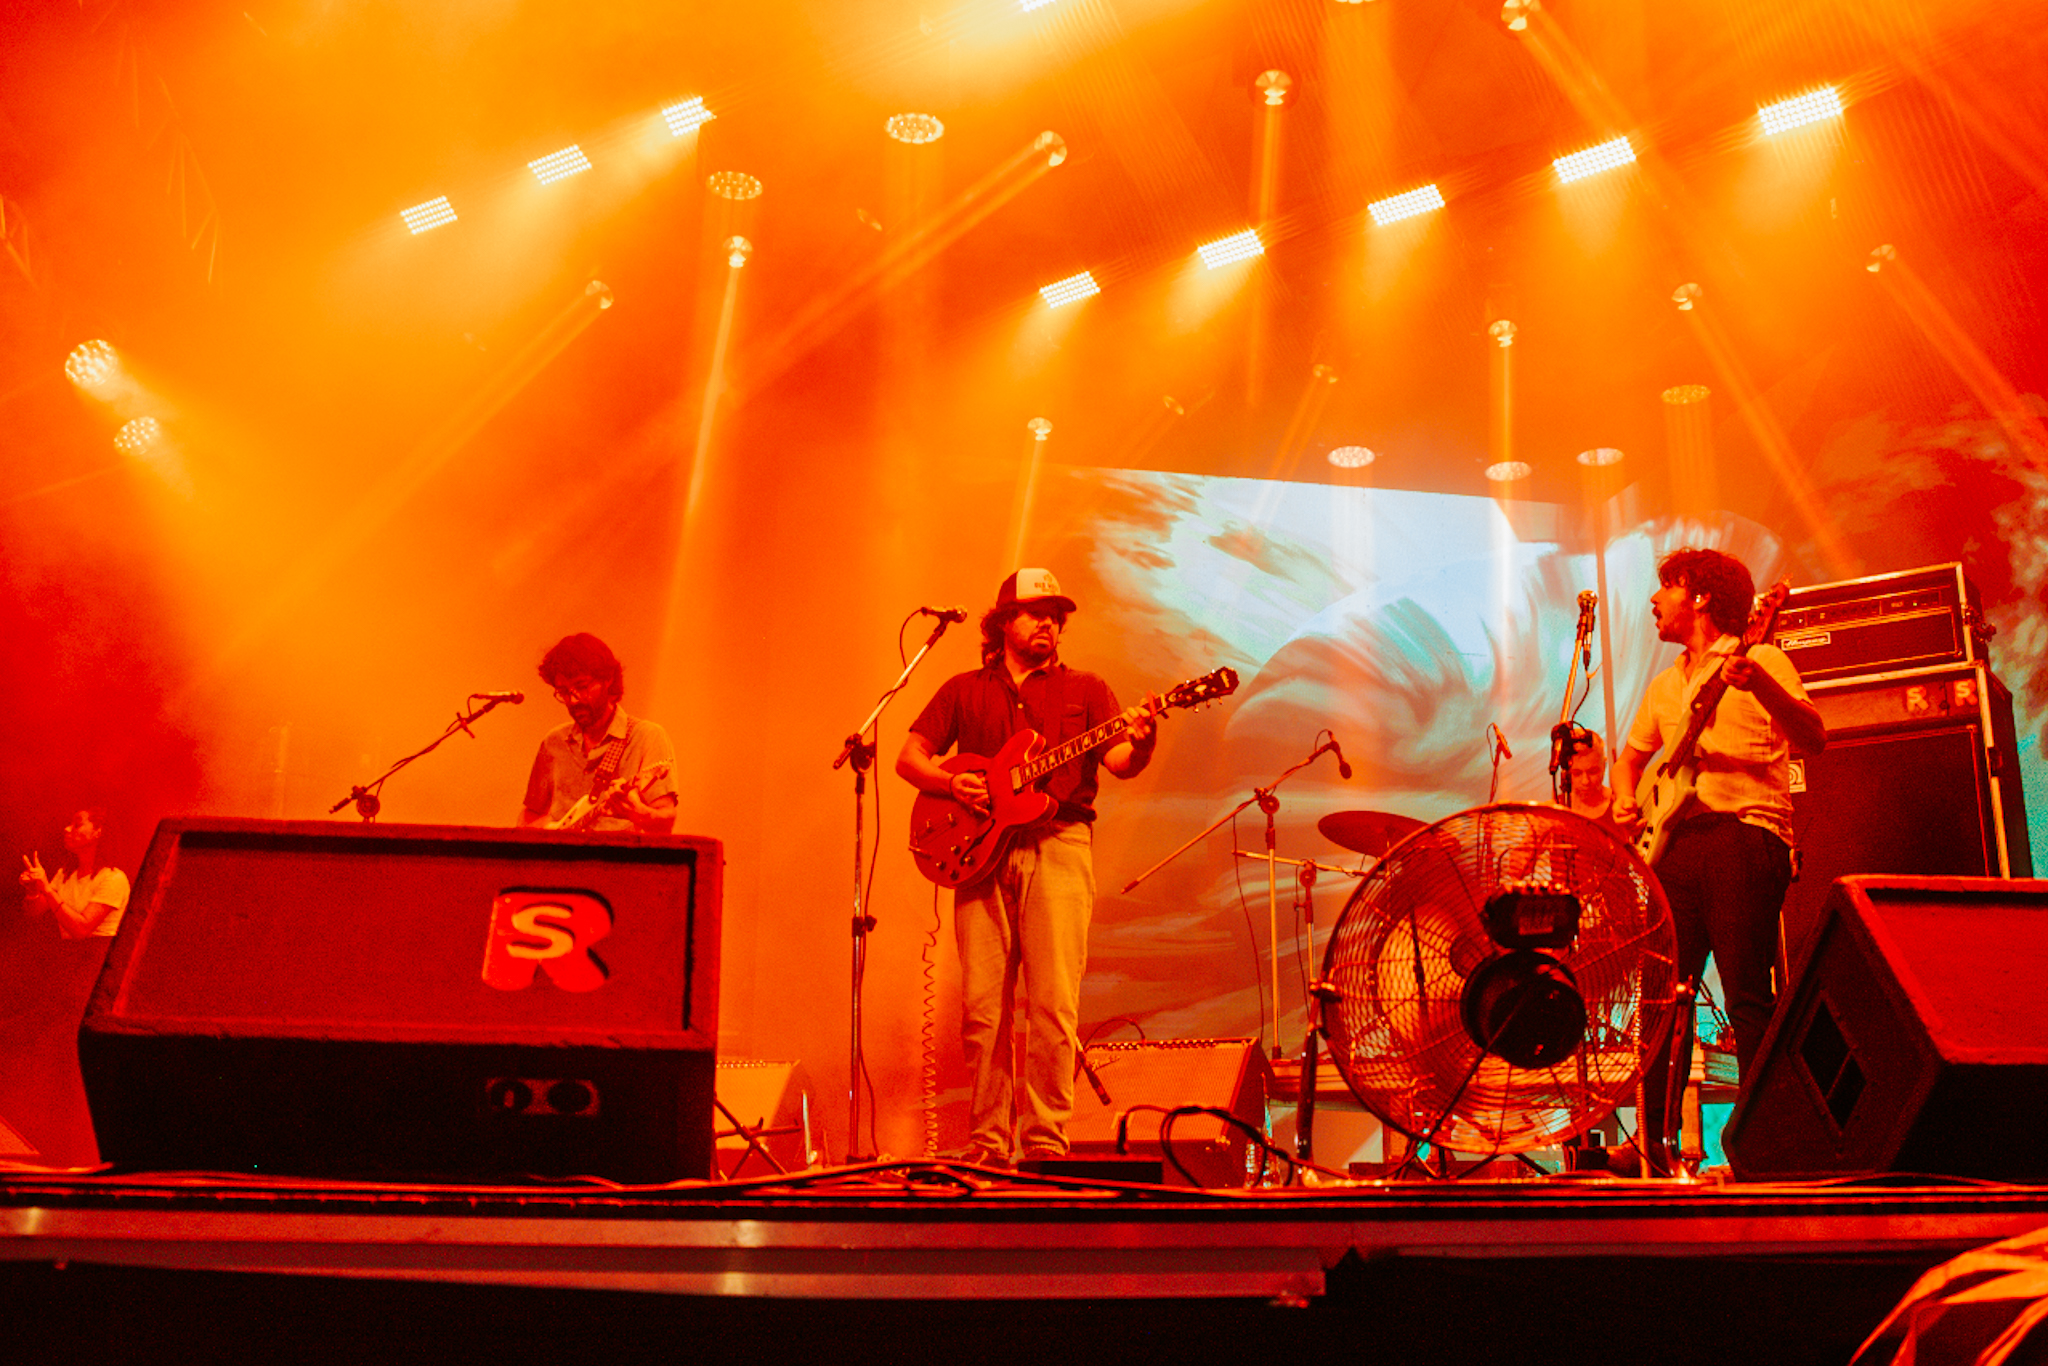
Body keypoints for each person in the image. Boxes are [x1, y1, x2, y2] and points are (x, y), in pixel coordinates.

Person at [896, 568, 1161, 1165]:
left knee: (1052, 1005)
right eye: (1035, 612)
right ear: (1001, 623)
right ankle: (988, 1145)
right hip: (979, 857)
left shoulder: (1088, 690)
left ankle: (1044, 1144)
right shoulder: (964, 689)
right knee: (983, 1010)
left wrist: (1141, 740)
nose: (1048, 622)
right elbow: (909, 757)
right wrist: (952, 783)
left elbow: (1119, 762)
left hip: (1060, 844)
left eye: (1056, 615)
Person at [1610, 548, 1825, 1167]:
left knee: (1746, 998)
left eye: (1666, 588)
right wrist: (1627, 800)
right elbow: (1631, 759)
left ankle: (1764, 1145)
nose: (1654, 601)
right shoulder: (1664, 684)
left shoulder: (1762, 658)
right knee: (1659, 1000)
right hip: (1674, 846)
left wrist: (1757, 684)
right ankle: (1654, 1145)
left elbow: (1813, 736)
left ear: (1700, 597)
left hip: (1744, 834)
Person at [517, 633, 678, 834]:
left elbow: (666, 821)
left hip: (619, 862)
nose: (573, 700)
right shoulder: (553, 742)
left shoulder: (647, 737)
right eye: (564, 692)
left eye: (582, 687)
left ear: (608, 679)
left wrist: (637, 813)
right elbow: (530, 814)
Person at [19, 808, 130, 940]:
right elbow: (34, 913)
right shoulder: (65, 874)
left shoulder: (113, 878)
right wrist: (33, 891)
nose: (66, 829)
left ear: (97, 832)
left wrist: (47, 890)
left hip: (99, 955)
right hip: (70, 954)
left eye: (77, 825)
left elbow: (81, 930)